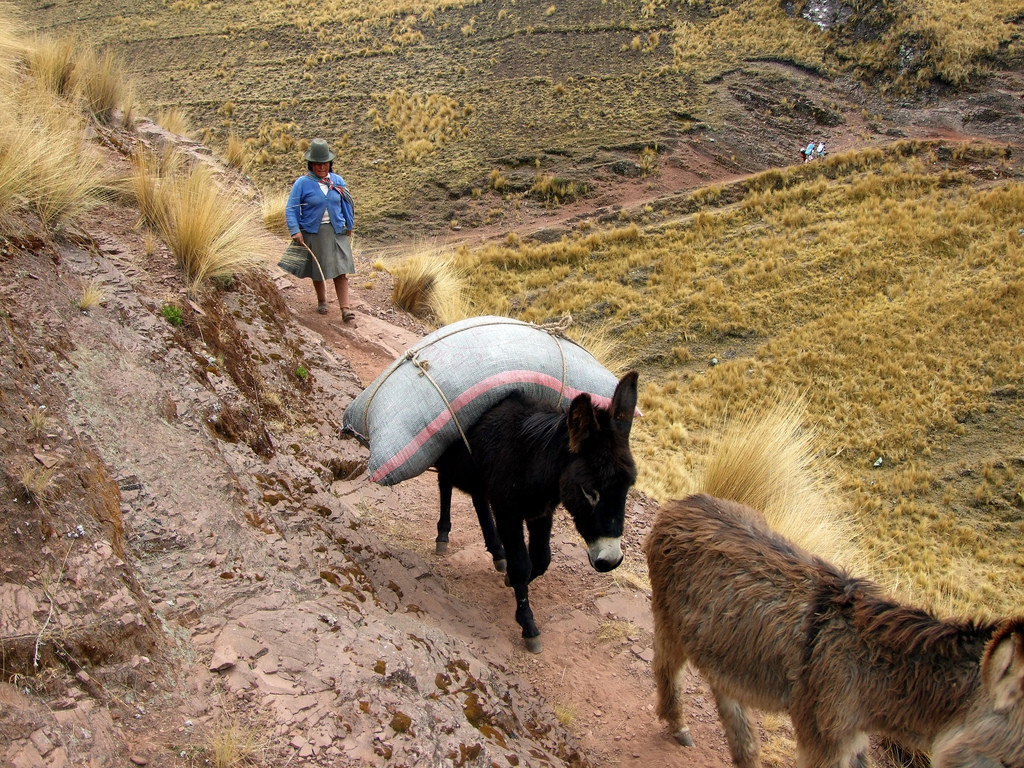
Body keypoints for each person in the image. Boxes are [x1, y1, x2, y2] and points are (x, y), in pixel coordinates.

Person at [281, 138, 356, 322]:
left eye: (325, 163)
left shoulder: (337, 181)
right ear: (311, 164)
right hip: (313, 232)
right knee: (318, 269)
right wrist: (295, 230)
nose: (321, 167)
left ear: (329, 163)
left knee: (341, 271)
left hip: (337, 231)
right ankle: (322, 300)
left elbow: (347, 203)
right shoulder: (302, 183)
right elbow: (291, 208)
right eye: (317, 163)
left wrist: (349, 225)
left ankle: (345, 309)